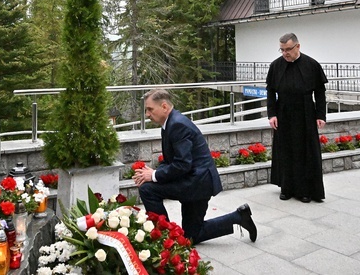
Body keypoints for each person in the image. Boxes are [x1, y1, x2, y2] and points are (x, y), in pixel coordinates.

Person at [134, 89, 257, 244]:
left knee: (148, 189)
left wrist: (153, 176)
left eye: (150, 109)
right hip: (192, 179)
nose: (147, 114)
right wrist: (153, 173)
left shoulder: (177, 125)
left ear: (164, 106)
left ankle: (164, 236)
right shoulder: (170, 123)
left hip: (197, 183)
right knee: (192, 235)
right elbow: (174, 160)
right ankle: (239, 217)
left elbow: (182, 164)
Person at [266, 33, 328, 203]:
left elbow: (320, 92)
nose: (285, 53)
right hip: (283, 112)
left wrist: (320, 115)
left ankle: (305, 191)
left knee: (305, 152)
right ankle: (286, 188)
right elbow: (270, 91)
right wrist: (271, 114)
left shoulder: (311, 64)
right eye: (282, 50)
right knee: (285, 151)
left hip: (306, 111)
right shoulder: (276, 66)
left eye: (288, 49)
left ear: (298, 47)